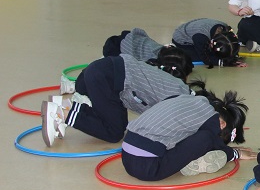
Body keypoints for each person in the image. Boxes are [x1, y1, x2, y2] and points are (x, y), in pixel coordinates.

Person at [41, 54, 198, 147]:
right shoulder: (178, 98)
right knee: (114, 132)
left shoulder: (182, 92)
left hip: (103, 70)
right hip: (104, 79)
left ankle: (67, 104)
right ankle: (63, 113)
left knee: (115, 119)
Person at [120, 89, 255, 181]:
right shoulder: (213, 118)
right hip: (149, 167)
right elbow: (211, 140)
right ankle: (194, 163)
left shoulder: (186, 99)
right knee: (206, 139)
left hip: (126, 155)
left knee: (190, 135)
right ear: (222, 124)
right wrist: (234, 154)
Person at [172, 18, 244, 68]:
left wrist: (234, 57)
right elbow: (206, 58)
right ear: (212, 44)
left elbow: (230, 43)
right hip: (182, 40)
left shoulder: (225, 28)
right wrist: (225, 63)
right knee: (195, 57)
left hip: (196, 31)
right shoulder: (200, 38)